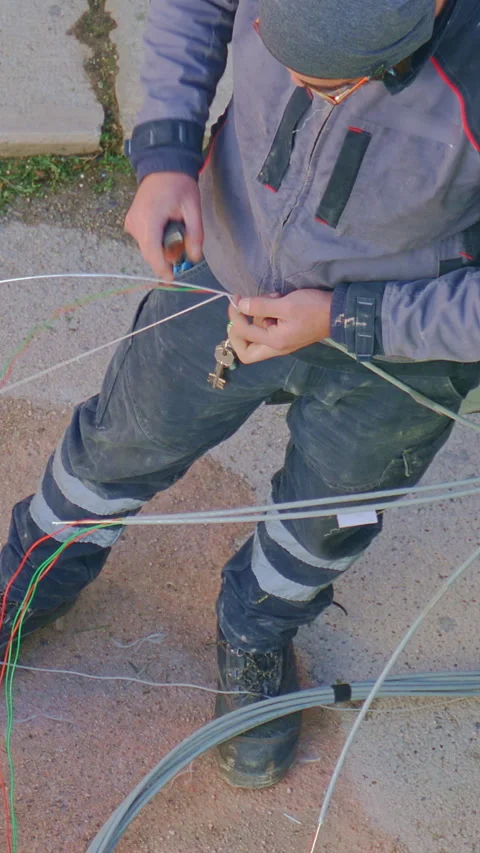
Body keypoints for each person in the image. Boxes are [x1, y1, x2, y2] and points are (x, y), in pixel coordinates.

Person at [1, 0, 480, 790]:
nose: (299, 90)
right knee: (121, 440)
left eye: (329, 85)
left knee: (328, 514)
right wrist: (165, 156)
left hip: (400, 347)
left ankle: (259, 623)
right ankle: (38, 564)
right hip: (223, 264)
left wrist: (349, 318)